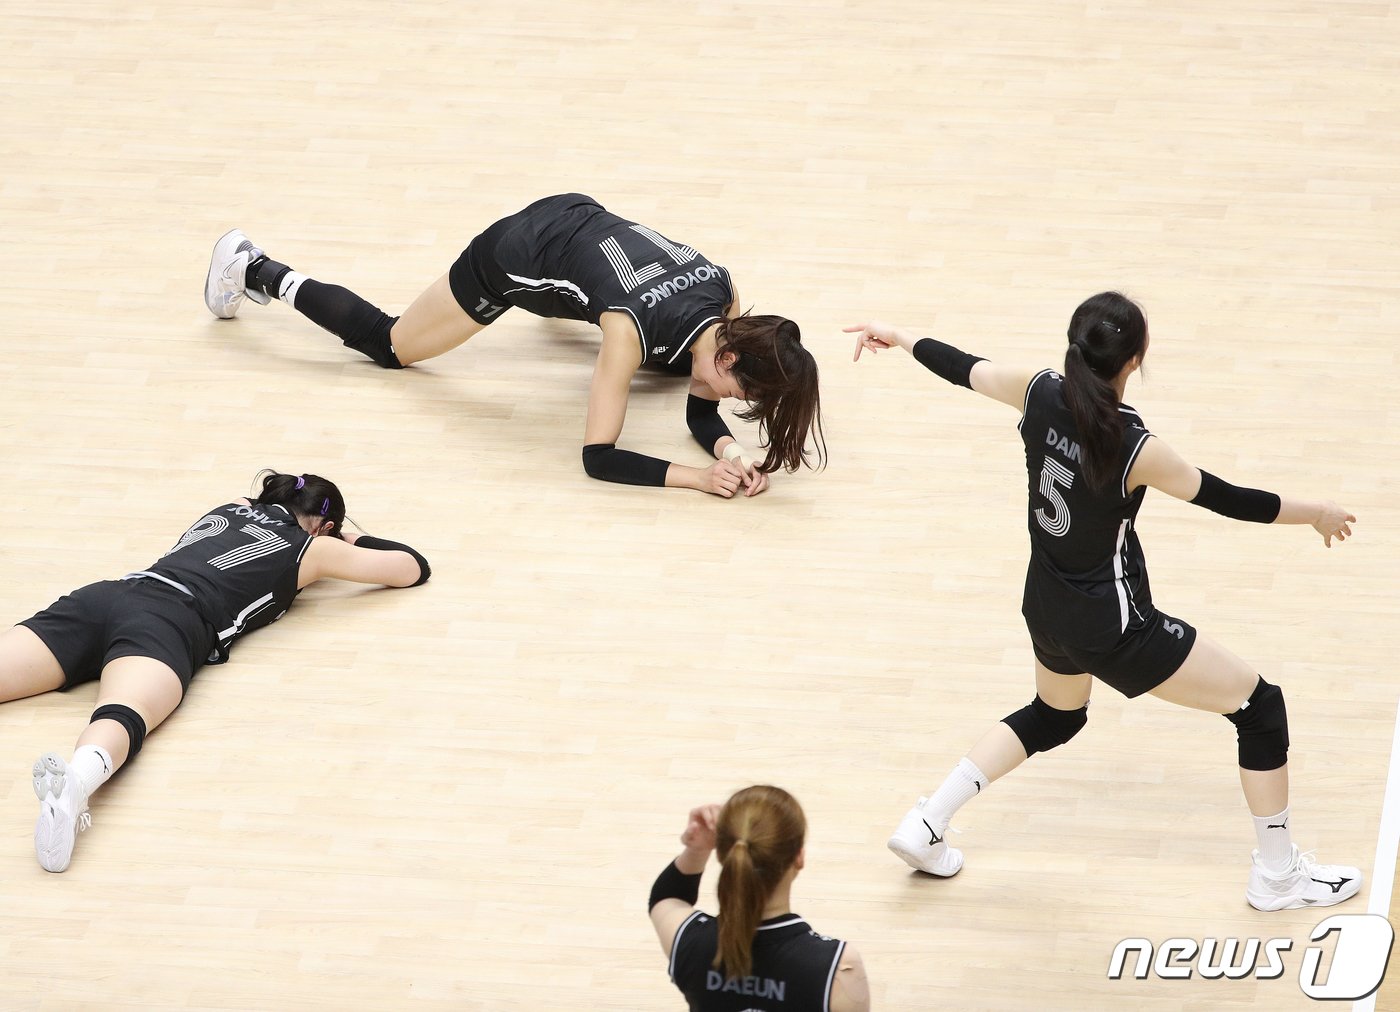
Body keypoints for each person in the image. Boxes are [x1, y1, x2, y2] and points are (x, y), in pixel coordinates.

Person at [848, 292, 1362, 912]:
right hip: (1116, 626)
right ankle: (1278, 877)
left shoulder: (1036, 390)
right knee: (1259, 706)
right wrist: (1318, 513)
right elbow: (1231, 499)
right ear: (1136, 359)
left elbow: (963, 366)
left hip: (1046, 604)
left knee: (1056, 715)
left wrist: (899, 336)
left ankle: (928, 823)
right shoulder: (1134, 446)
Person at [205, 193, 826, 497]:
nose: (738, 404)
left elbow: (697, 400)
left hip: (584, 227)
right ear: (728, 356)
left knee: (663, 368)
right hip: (518, 252)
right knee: (392, 346)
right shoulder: (628, 330)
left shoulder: (727, 300)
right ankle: (253, 267)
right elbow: (598, 457)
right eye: (743, 393)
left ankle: (566, 294)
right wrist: (698, 478)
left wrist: (727, 451)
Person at [1, 471, 430, 873]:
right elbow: (412, 566)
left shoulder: (230, 506)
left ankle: (72, 785)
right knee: (121, 712)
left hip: (106, 596)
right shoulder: (311, 547)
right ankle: (74, 784)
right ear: (323, 525)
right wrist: (349, 537)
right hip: (171, 621)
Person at [648, 786, 869, 1011]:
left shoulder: (688, 942)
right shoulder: (837, 966)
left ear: (724, 855)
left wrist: (696, 851)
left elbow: (666, 897)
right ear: (799, 857)